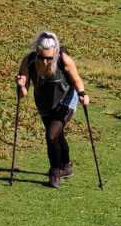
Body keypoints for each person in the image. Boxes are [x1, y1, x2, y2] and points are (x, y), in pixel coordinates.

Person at [15, 30, 89, 188]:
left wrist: (83, 94)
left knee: (51, 135)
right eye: (41, 57)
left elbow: (77, 80)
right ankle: (66, 166)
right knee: (57, 135)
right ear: (37, 52)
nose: (44, 61)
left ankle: (55, 172)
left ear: (54, 54)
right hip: (44, 102)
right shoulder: (28, 61)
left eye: (49, 58)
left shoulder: (64, 60)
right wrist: (21, 85)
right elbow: (23, 94)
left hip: (66, 99)